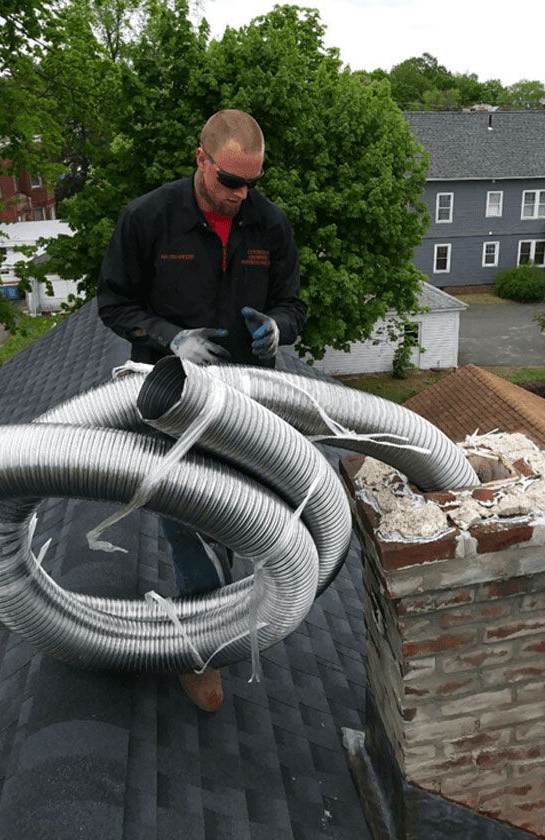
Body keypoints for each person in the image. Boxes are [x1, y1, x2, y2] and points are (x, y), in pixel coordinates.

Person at [97, 109, 307, 711]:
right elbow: (114, 304)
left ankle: (219, 614)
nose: (242, 196)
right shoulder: (147, 220)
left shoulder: (269, 225)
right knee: (185, 516)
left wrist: (279, 327)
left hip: (245, 399)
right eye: (230, 181)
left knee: (237, 512)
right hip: (170, 395)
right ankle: (199, 649)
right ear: (201, 160)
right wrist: (168, 337)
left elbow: (293, 303)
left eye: (252, 183)